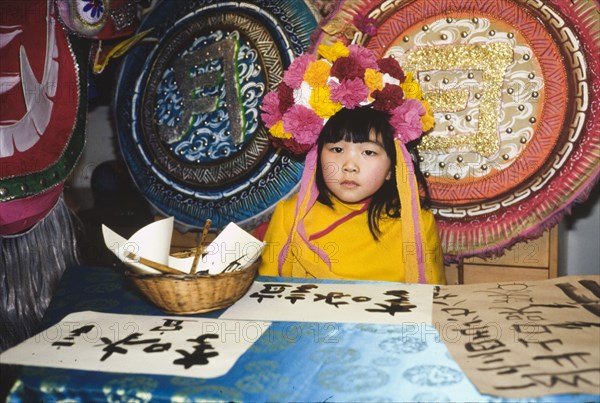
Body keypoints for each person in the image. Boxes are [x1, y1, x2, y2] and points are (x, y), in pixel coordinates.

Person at [259, 41, 446, 284]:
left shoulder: (417, 224)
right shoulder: (290, 216)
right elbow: (265, 297)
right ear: (317, 157)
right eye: (337, 149)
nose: (349, 165)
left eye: (368, 153)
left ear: (393, 167)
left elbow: (435, 304)